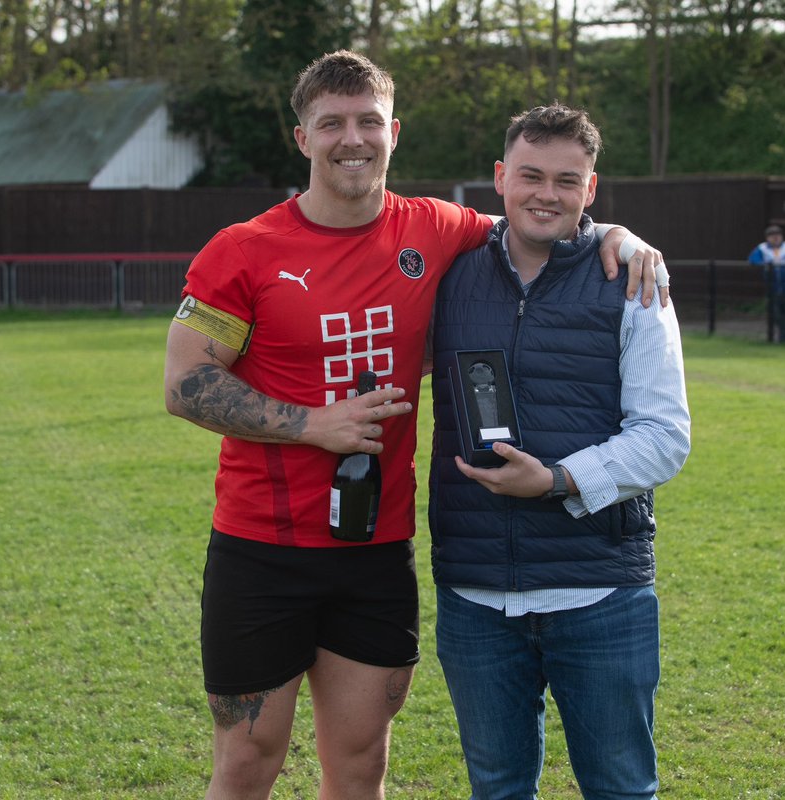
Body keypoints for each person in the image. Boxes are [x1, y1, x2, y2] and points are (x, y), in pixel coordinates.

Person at [162, 51, 667, 800]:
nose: (352, 139)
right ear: (301, 138)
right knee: (247, 760)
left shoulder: (433, 227)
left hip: (375, 550)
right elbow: (185, 385)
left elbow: (537, 211)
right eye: (330, 123)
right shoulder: (242, 250)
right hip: (262, 548)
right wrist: (312, 425)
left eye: (368, 121)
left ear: (393, 132)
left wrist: (617, 233)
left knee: (361, 762)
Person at [427, 104, 691, 800]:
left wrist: (559, 479)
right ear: (499, 177)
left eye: (566, 180)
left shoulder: (635, 282)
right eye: (531, 175)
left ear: (591, 188)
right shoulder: (449, 274)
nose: (547, 193)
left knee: (622, 790)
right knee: (498, 789)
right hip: (475, 594)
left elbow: (666, 437)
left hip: (599, 591)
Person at [748, 224, 785, 343]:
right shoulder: (763, 248)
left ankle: (784, 337)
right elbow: (753, 259)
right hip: (772, 285)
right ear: (767, 237)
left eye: (778, 235)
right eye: (772, 236)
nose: (775, 238)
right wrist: (765, 266)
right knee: (775, 313)